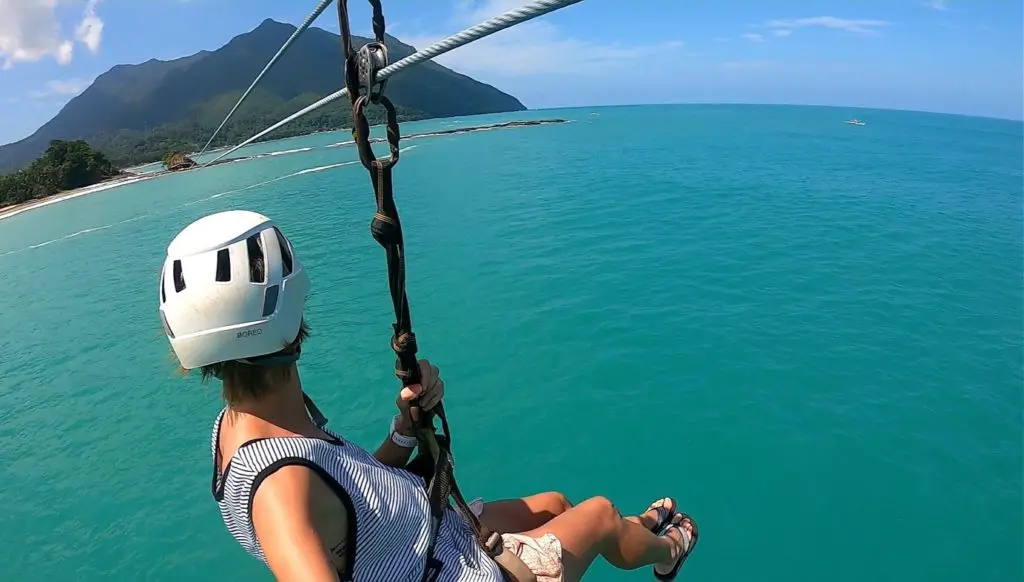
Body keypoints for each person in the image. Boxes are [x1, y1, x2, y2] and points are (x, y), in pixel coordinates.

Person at [158, 210, 699, 582]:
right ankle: (665, 552)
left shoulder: (243, 424)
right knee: (599, 514)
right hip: (454, 567)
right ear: (293, 308)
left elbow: (339, 497)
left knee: (555, 506)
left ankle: (639, 531)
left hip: (429, 536)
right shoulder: (278, 490)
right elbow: (296, 507)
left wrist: (401, 434)